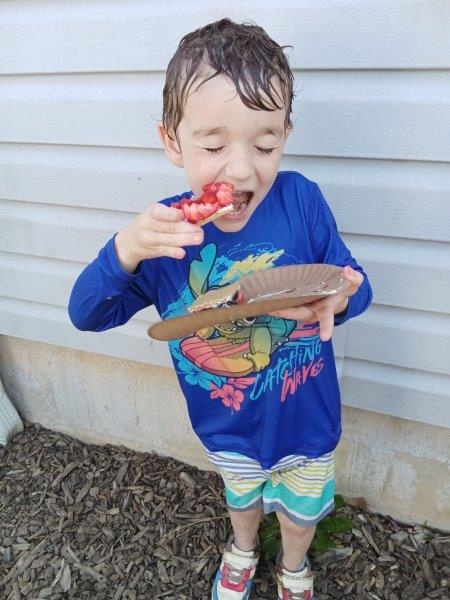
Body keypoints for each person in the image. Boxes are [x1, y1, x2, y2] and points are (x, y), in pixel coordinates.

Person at [69, 18, 372, 600]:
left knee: (301, 513)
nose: (240, 169)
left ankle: (294, 567)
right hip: (224, 425)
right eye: (213, 146)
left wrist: (343, 296)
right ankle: (243, 548)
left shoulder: (302, 201)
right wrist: (124, 251)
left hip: (308, 422)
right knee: (241, 497)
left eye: (265, 145)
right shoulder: (164, 236)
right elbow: (86, 314)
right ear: (172, 141)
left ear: (285, 135)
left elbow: (354, 287)